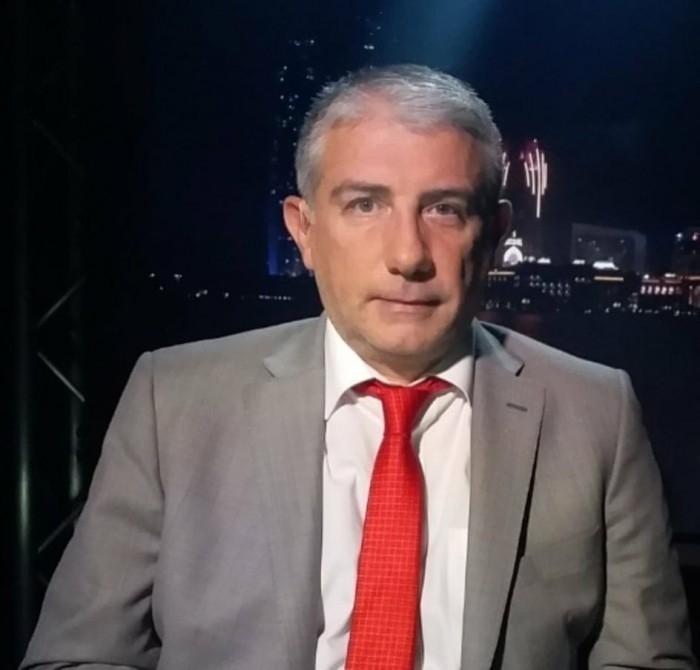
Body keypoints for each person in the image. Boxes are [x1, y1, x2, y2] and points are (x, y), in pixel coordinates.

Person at [21, 64, 695, 670]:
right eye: (365, 205)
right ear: (304, 230)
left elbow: (645, 660)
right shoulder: (173, 401)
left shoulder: (596, 412)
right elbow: (76, 657)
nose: (408, 255)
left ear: (492, 234)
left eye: (444, 209)